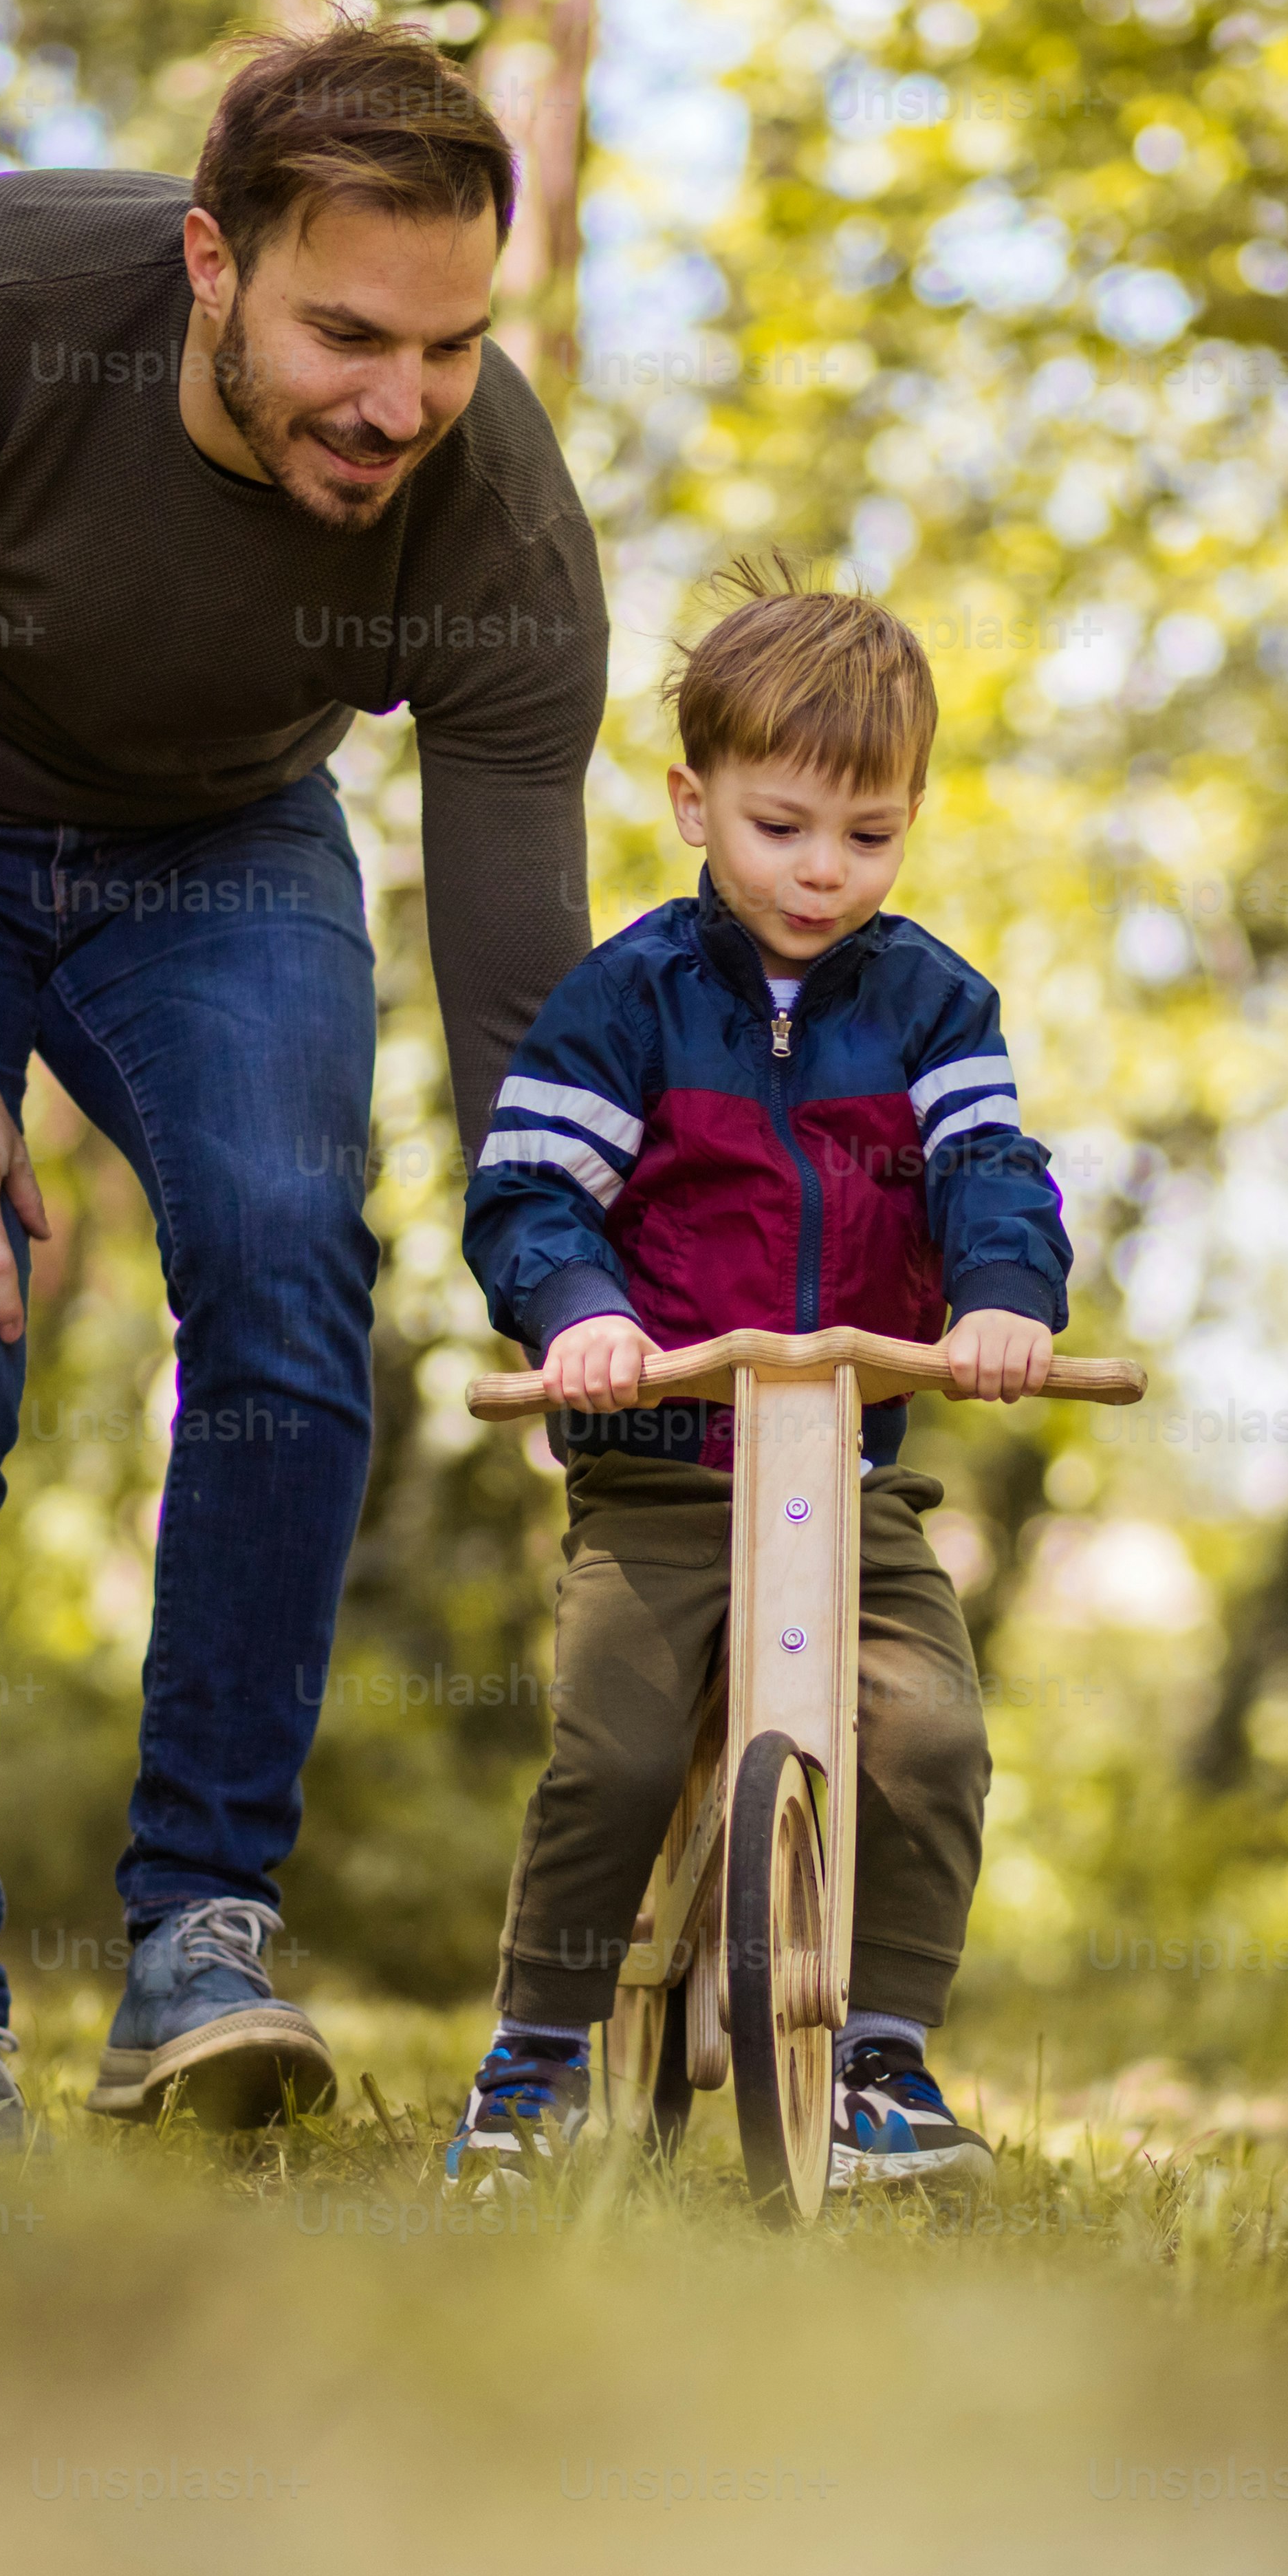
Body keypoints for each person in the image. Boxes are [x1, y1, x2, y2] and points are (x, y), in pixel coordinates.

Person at [0, 16, 610, 2145]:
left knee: (295, 1265)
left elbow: (513, 976)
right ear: (210, 261)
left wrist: (587, 1293)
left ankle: (202, 1937)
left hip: (220, 852)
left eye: (454, 343)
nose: (400, 404)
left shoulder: (483, 502)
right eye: (347, 335)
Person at [439, 561, 1073, 2195]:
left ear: (912, 818)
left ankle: (882, 2062)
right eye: (781, 824)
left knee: (927, 1734)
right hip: (660, 1464)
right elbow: (526, 1194)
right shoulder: (623, 1003)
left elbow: (992, 1167)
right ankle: (535, 2062)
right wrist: (576, 1313)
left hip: (846, 1475)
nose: (821, 869)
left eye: (869, 835)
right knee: (621, 1746)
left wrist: (1002, 1298)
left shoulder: (935, 1003)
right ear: (691, 800)